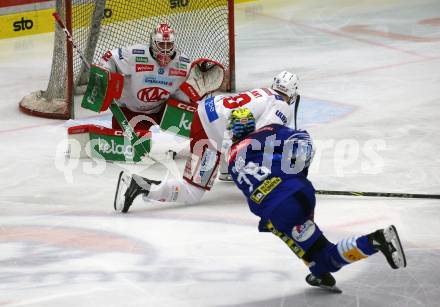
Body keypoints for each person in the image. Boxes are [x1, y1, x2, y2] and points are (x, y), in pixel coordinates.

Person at [224, 108, 407, 292]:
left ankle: (375, 240)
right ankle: (318, 271)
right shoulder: (268, 131)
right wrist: (298, 173)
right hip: (300, 191)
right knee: (306, 238)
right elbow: (302, 139)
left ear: (232, 131)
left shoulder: (231, 160)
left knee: (325, 256)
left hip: (279, 208)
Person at [113, 71, 299, 212]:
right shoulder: (282, 106)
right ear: (292, 93)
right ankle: (141, 186)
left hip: (206, 112)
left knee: (239, 143)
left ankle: (226, 170)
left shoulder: (264, 92)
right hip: (211, 133)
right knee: (192, 193)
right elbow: (262, 136)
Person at [99, 23, 194, 131]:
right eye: (161, 44)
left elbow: (185, 90)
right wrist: (104, 72)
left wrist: (193, 94)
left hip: (162, 112)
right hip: (129, 111)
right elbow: (109, 57)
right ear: (153, 43)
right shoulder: (135, 55)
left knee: (182, 138)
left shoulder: (183, 63)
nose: (166, 49)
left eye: (169, 44)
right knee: (132, 145)